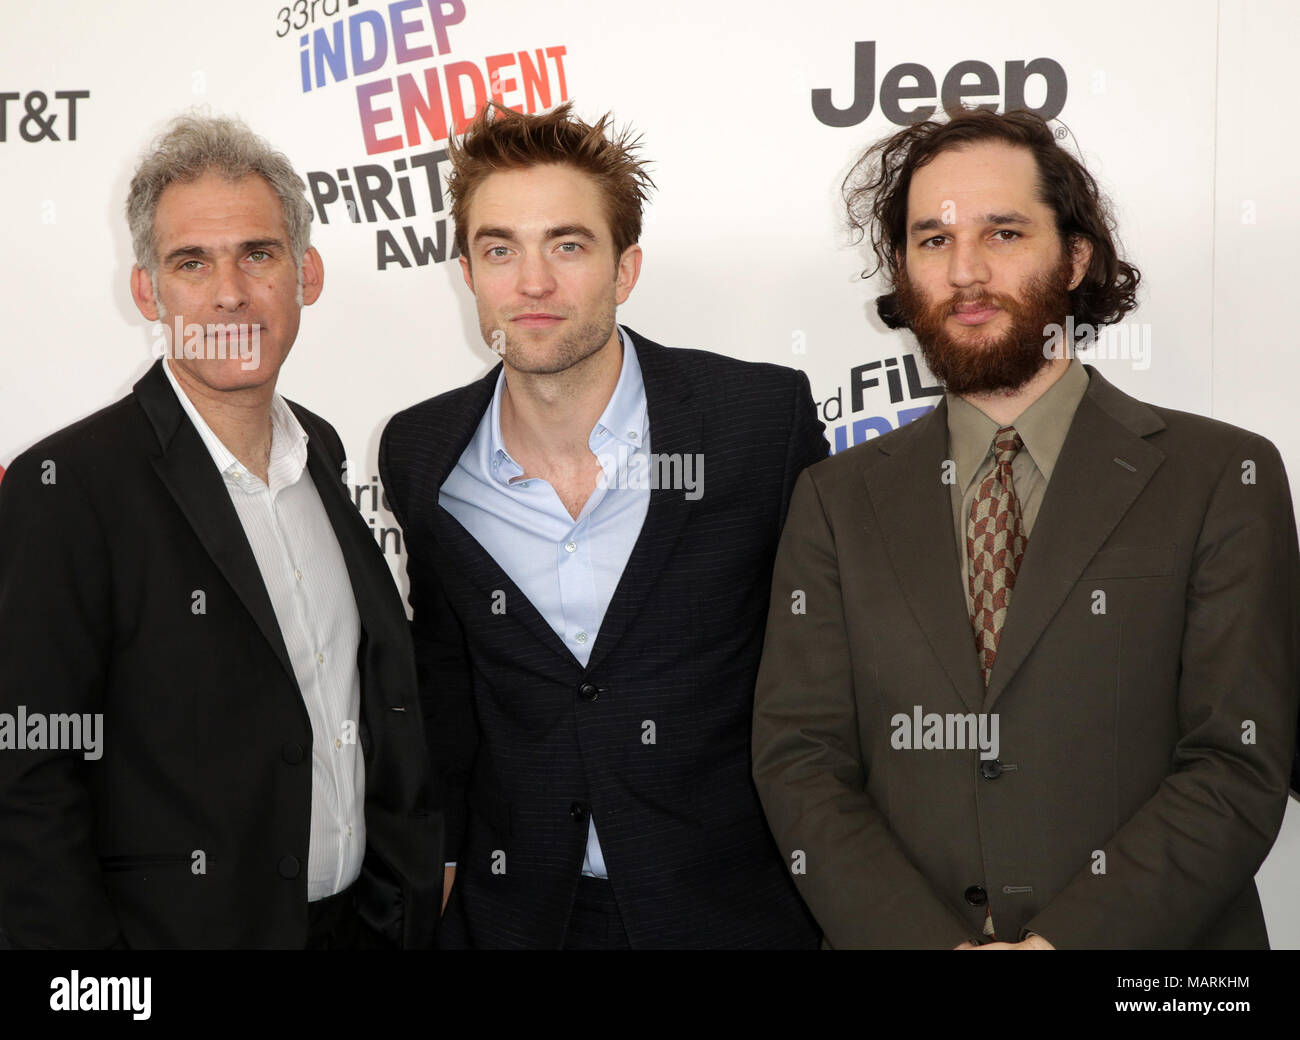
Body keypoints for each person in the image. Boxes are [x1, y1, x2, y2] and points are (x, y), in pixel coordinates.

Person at [751, 108, 1300, 949]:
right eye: (931, 240)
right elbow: (802, 763)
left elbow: (1237, 760)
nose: (965, 272)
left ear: (1076, 258)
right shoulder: (833, 497)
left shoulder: (1222, 476)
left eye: (1003, 232)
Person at [379, 101, 826, 948]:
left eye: (569, 245)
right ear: (467, 270)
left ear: (626, 269)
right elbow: (445, 677)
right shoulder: (421, 452)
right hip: (519, 917)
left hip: (733, 910)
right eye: (499, 248)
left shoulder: (757, 423)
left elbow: (832, 666)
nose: (532, 283)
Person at [0, 114, 443, 949]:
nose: (230, 291)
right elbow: (26, 782)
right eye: (191, 262)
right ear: (148, 292)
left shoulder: (322, 454)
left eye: (258, 254)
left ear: (305, 273)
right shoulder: (68, 488)